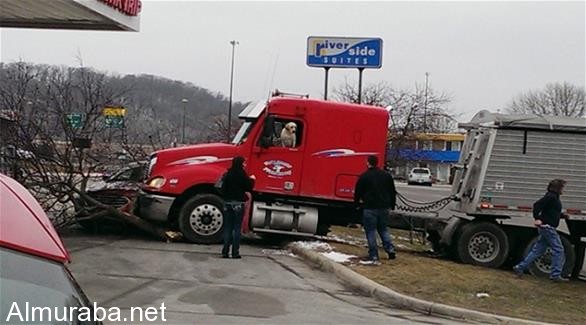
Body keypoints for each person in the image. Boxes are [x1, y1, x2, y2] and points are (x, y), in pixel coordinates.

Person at [513, 179, 568, 282]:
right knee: (559, 250)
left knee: (537, 250)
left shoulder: (553, 197)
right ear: (557, 188)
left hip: (546, 227)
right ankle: (555, 275)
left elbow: (551, 211)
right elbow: (537, 205)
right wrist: (537, 218)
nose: (563, 189)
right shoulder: (551, 197)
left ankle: (520, 267)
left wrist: (561, 215)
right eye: (562, 187)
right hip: (548, 227)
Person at [354, 155, 397, 265]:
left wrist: (357, 204)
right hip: (384, 207)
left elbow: (358, 191)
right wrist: (392, 205)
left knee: (371, 231)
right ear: (377, 163)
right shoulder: (386, 176)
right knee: (383, 229)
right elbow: (392, 191)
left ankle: (373, 255)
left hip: (369, 207)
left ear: (368, 163)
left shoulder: (364, 176)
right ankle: (390, 250)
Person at [220, 156, 255, 259]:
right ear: (240, 163)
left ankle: (225, 252)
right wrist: (252, 180)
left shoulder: (228, 174)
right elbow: (248, 187)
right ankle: (235, 252)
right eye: (244, 163)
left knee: (227, 228)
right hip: (239, 203)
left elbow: (221, 188)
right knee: (237, 228)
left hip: (227, 203)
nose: (245, 165)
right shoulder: (242, 174)